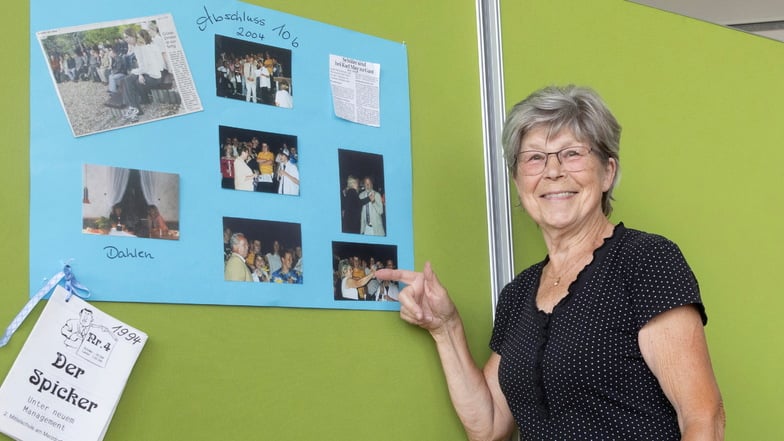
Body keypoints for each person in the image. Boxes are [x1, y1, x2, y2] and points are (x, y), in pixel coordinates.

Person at [376, 85, 725, 440]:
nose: (553, 171)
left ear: (607, 172)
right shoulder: (518, 293)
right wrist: (445, 328)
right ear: (519, 181)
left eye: (572, 153)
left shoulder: (645, 261)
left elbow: (702, 417)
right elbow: (490, 425)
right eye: (534, 158)